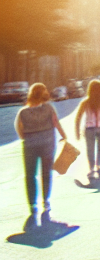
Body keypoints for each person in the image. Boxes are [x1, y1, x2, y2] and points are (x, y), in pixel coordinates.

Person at [14, 83, 70, 224]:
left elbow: (19, 129)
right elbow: (56, 123)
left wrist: (27, 138)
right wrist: (64, 136)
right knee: (46, 173)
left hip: (30, 145)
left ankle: (32, 204)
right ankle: (46, 201)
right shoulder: (49, 108)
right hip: (47, 144)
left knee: (30, 175)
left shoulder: (23, 112)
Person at [71, 80, 100, 182]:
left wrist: (77, 132)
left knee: (90, 150)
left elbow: (78, 117)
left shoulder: (86, 102)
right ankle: (98, 166)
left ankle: (92, 169)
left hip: (90, 128)